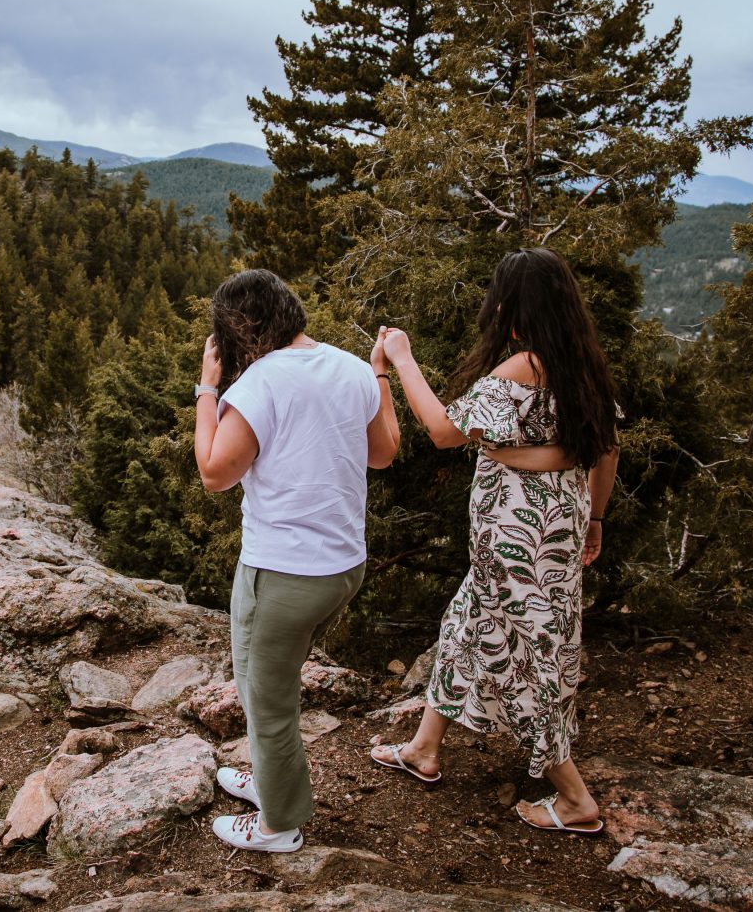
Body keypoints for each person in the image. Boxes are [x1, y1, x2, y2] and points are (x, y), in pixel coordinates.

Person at [369, 247, 619, 835]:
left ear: (514, 307)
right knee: (467, 625)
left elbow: (441, 432)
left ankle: (576, 800)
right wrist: (596, 520)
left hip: (516, 545)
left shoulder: (522, 369)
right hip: (553, 534)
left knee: (526, 654)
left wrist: (399, 361)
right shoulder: (582, 364)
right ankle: (424, 749)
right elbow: (605, 450)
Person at [193, 268, 400, 852]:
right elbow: (383, 454)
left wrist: (207, 389)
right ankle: (269, 778)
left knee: (267, 698)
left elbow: (214, 472)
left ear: (238, 330)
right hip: (343, 565)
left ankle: (279, 824)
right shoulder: (352, 368)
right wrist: (381, 374)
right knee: (268, 683)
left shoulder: (259, 383)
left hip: (282, 571)